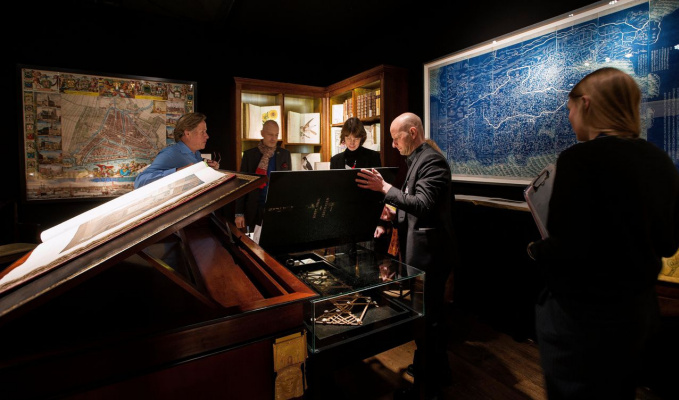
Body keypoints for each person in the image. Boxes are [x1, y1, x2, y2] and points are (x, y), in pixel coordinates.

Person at [526, 67, 679, 399]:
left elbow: (567, 246)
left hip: (581, 320)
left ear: (586, 104)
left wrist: (536, 250)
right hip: (638, 315)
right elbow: (667, 244)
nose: (569, 118)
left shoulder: (578, 160)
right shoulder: (661, 162)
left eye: (570, 109)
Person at [356, 112, 456, 399]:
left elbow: (423, 205)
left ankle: (427, 387)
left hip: (431, 257)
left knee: (429, 321)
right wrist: (394, 214)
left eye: (396, 137)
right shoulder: (417, 161)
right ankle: (437, 371)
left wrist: (385, 189)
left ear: (412, 133)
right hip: (424, 254)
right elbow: (416, 205)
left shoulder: (432, 161)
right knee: (430, 318)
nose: (393, 144)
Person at [134, 112, 219, 189]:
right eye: (202, 132)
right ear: (187, 133)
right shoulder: (170, 153)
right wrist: (177, 171)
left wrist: (208, 167)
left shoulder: (196, 154)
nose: (207, 136)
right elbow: (139, 182)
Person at [235, 120, 291, 232]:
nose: (273, 139)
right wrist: (239, 213)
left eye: (276, 135)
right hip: (254, 208)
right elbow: (241, 185)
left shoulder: (285, 154)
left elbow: (288, 184)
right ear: (262, 133)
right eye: (270, 134)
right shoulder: (249, 155)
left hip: (277, 209)